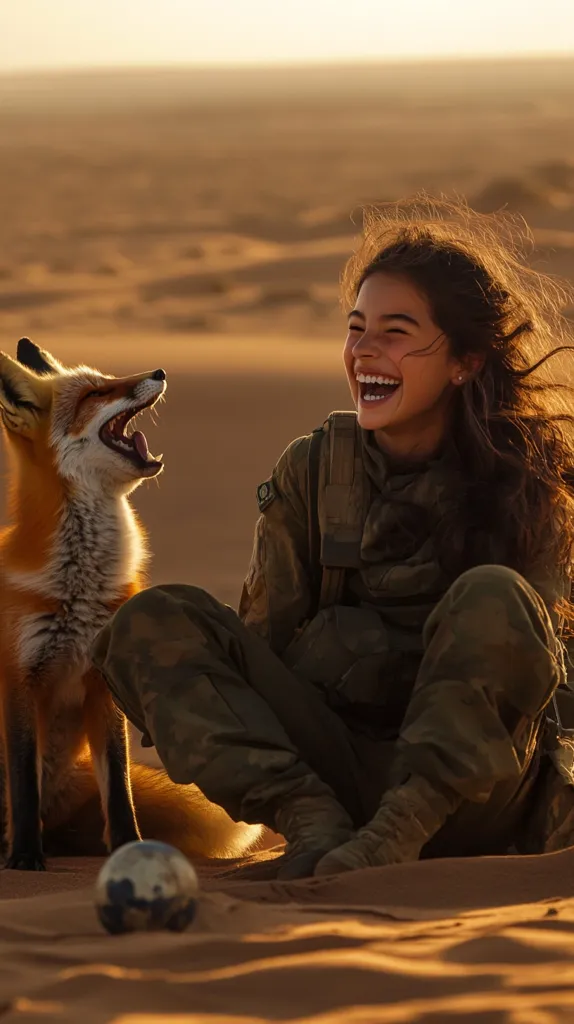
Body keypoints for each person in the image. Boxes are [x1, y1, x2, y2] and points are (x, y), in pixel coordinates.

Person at [92, 196, 574, 879]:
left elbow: (545, 677)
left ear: (464, 361)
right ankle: (309, 822)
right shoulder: (314, 471)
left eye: (397, 332)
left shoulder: (527, 484)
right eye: (356, 329)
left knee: (495, 600)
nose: (365, 352)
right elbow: (262, 651)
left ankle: (391, 838)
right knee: (151, 622)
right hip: (338, 789)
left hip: (479, 796)